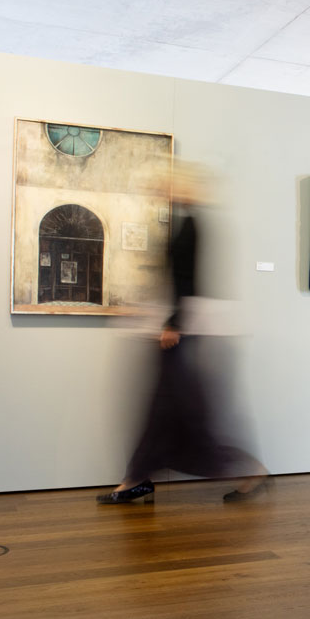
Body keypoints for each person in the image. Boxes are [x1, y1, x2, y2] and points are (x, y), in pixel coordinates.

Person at [98, 163, 268, 504]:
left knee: (182, 415)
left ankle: (249, 470)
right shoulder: (186, 222)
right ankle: (137, 477)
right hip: (179, 331)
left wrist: (174, 323)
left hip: (183, 335)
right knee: (162, 411)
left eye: (172, 184)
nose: (166, 189)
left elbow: (188, 279)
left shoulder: (193, 224)